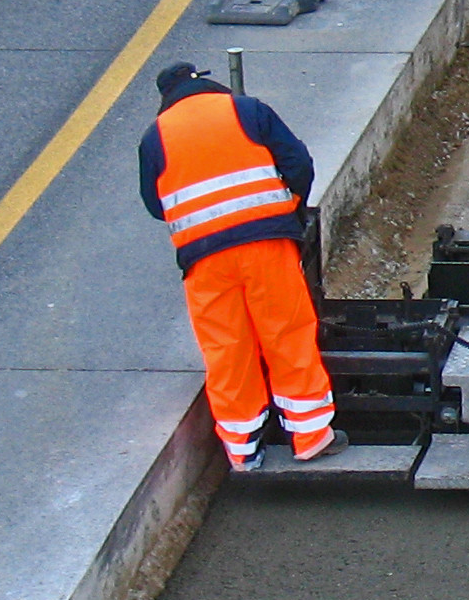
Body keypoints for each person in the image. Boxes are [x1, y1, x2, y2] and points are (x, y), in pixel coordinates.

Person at [139, 62, 337, 470]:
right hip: (266, 244)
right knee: (286, 332)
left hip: (203, 258)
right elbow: (298, 163)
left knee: (226, 348)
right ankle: (311, 436)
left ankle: (243, 450)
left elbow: (155, 206)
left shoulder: (154, 137)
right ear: (205, 83)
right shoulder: (247, 110)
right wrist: (292, 208)